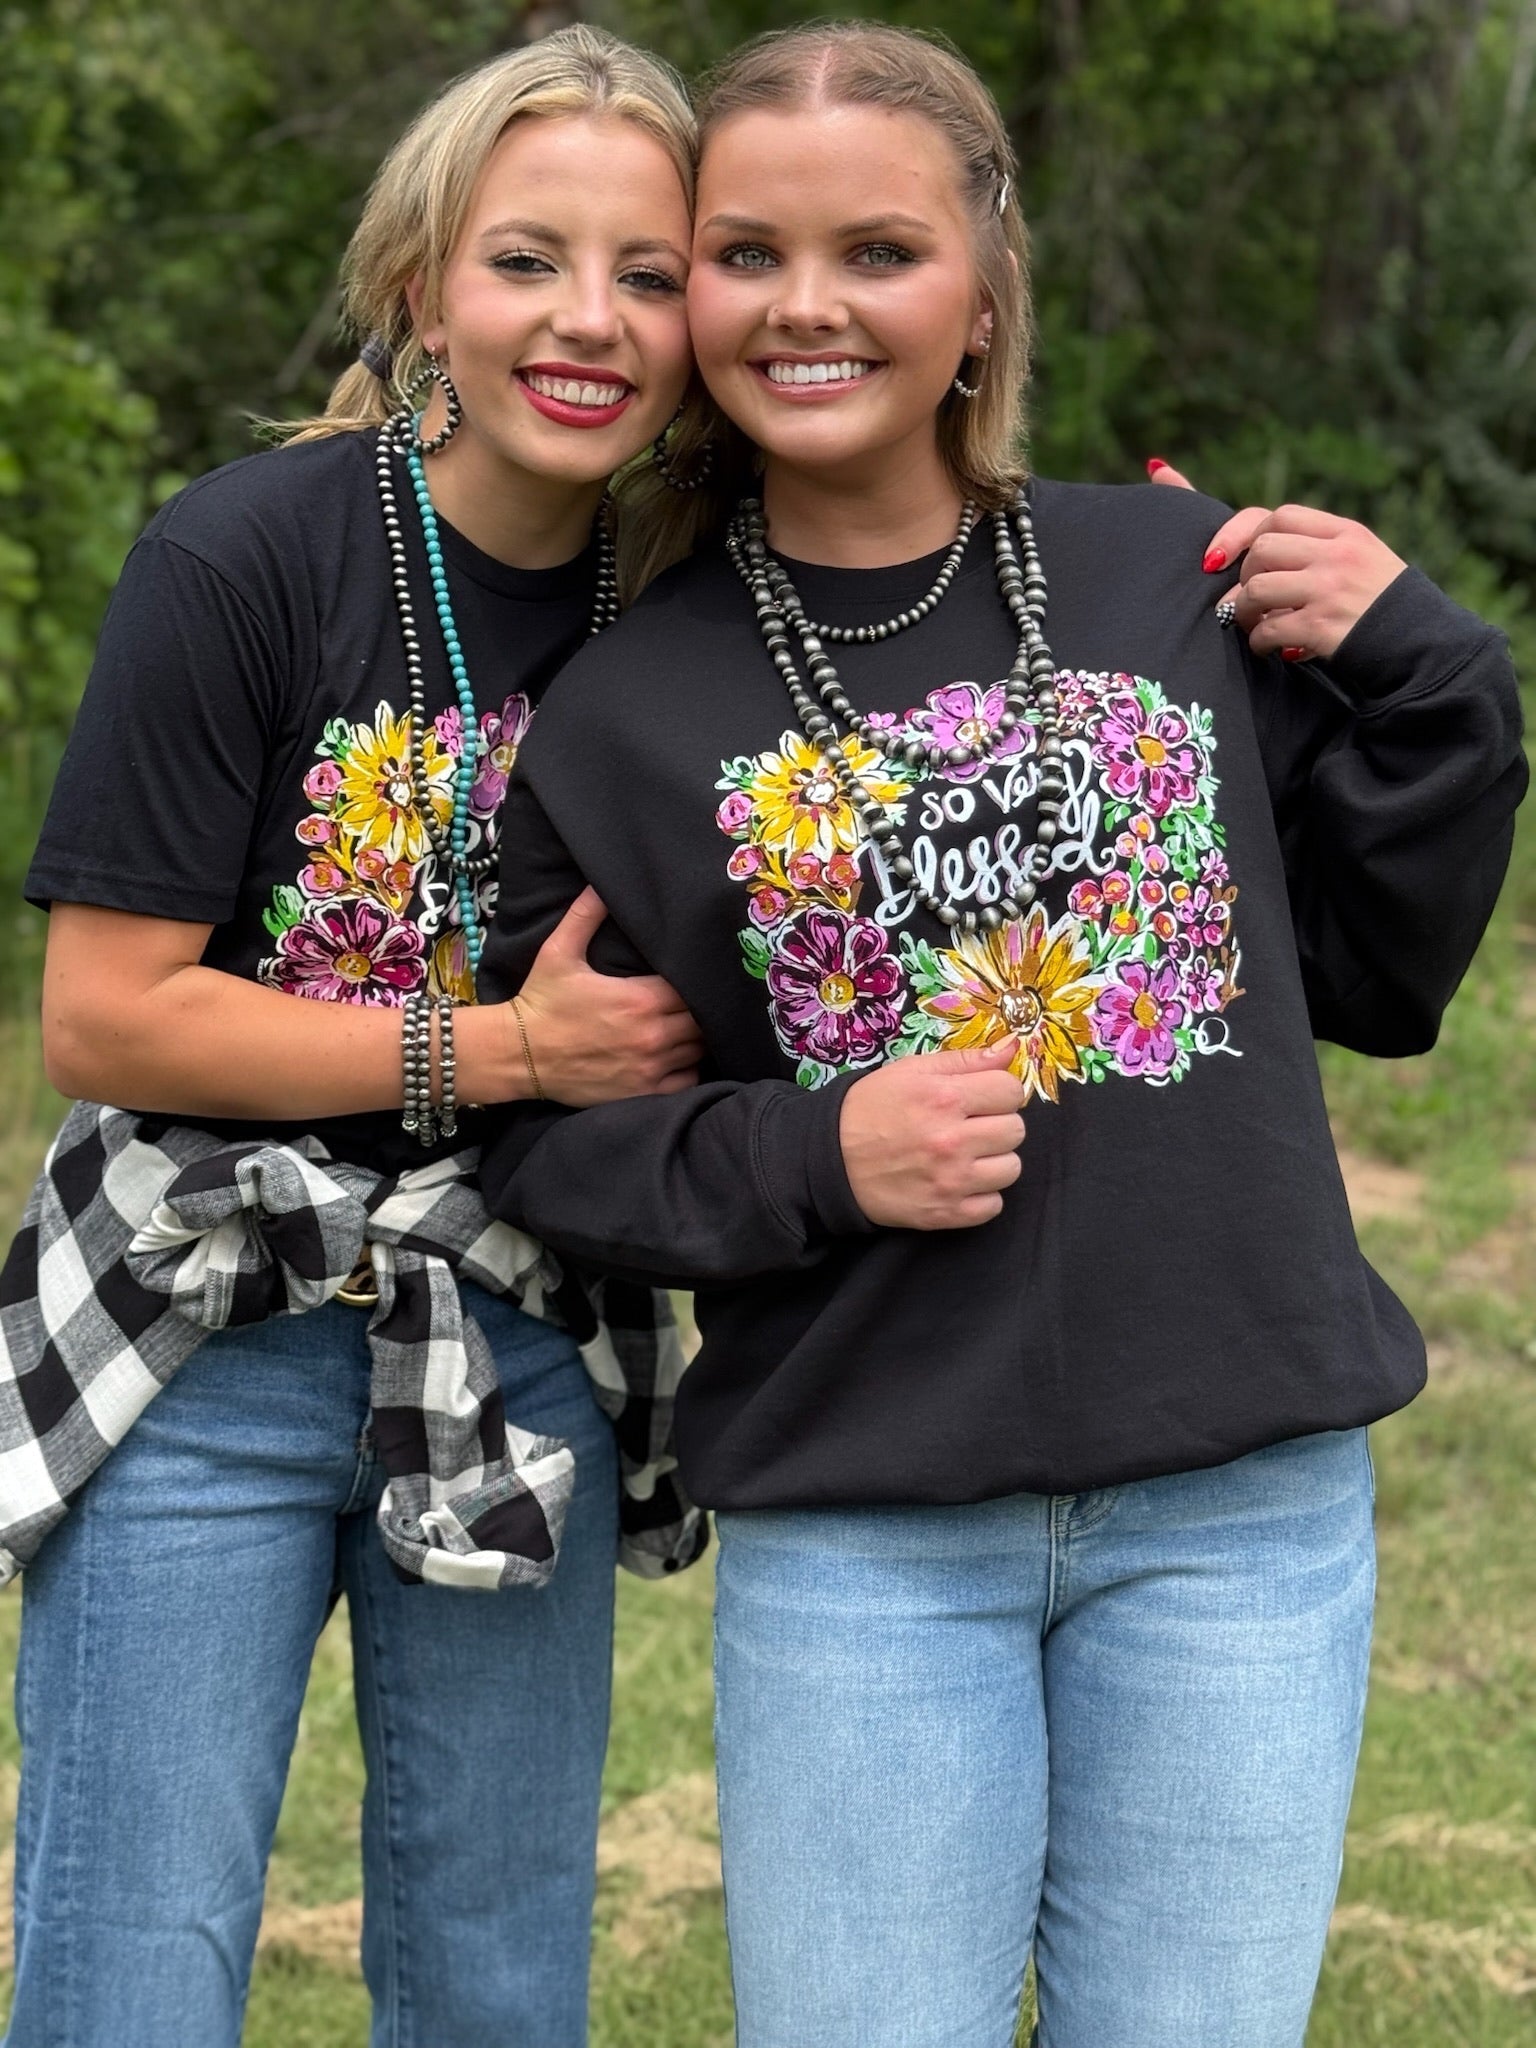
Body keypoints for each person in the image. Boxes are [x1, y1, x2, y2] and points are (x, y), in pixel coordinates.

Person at [477, 20, 1528, 2047]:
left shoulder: (1169, 581)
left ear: (980, 292)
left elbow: (1376, 977)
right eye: (747, 253)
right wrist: (820, 1154)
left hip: (1239, 1520)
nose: (807, 303)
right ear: (691, 297)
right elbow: (554, 1145)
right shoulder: (623, 713)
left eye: (877, 251)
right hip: (867, 1529)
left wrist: (1435, 677)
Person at [2, 27, 711, 2048]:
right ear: (422, 289)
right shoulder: (249, 554)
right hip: (204, 1322)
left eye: (651, 273)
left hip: (518, 1330)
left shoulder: (692, 606)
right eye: (527, 260)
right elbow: (105, 1014)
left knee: (495, 1971)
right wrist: (504, 1054)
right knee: (131, 1965)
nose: (590, 320)